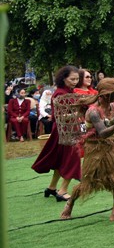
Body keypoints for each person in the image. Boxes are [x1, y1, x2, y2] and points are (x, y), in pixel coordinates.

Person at [61, 78, 114, 221]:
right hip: (95, 149)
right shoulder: (93, 112)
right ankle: (70, 203)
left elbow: (113, 133)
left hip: (112, 147)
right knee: (88, 182)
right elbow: (103, 132)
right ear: (105, 95)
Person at [31, 65, 81, 202]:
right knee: (73, 160)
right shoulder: (60, 94)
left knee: (60, 161)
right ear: (63, 78)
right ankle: (63, 191)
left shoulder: (71, 92)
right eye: (72, 79)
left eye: (77, 79)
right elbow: (60, 116)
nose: (75, 81)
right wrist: (80, 113)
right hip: (64, 132)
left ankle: (52, 188)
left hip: (68, 131)